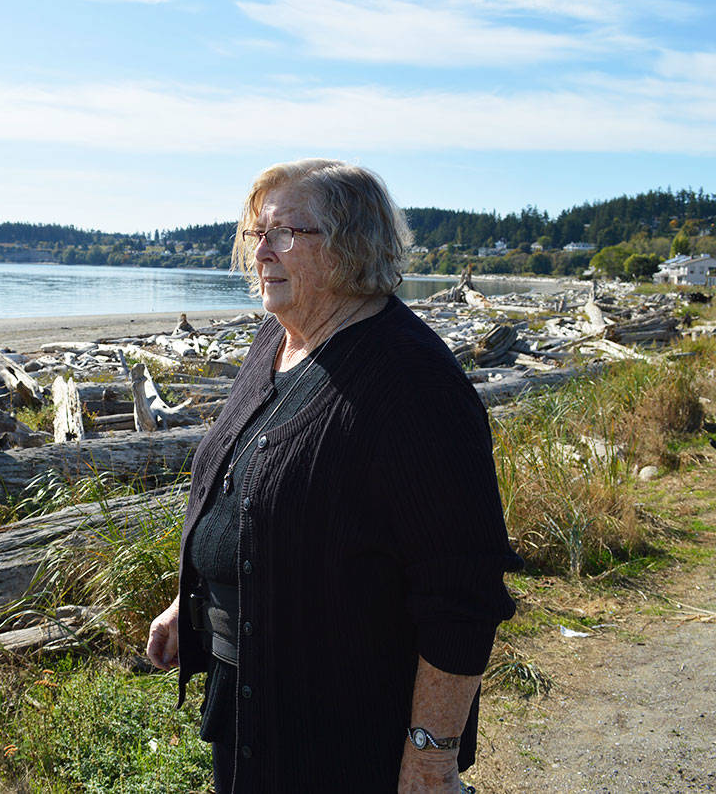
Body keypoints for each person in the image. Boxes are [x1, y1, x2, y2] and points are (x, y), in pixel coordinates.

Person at [146, 159, 523, 793]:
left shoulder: (413, 384)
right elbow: (247, 492)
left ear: (352, 246)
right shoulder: (276, 343)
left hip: (346, 737)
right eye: (256, 233)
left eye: (285, 232)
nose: (261, 251)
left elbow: (462, 592)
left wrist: (432, 756)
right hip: (252, 713)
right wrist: (194, 600)